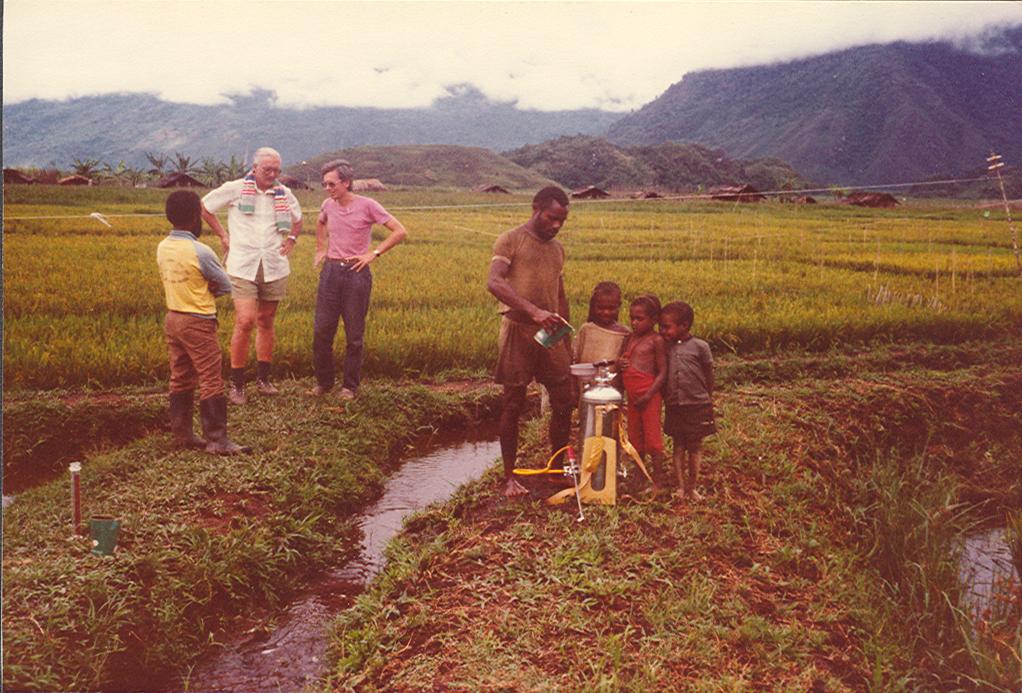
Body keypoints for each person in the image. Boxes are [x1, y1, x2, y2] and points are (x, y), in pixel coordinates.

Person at [487, 186, 573, 498]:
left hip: (549, 334)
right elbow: (494, 282)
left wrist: (566, 338)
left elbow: (559, 295)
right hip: (518, 330)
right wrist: (533, 311)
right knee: (513, 402)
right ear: (535, 209)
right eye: (552, 218)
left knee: (565, 399)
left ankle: (556, 469)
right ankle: (509, 477)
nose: (556, 225)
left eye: (562, 220)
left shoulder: (558, 249)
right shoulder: (511, 240)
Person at [201, 147, 303, 405]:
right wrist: (223, 235)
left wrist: (291, 238)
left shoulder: (284, 193)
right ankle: (237, 384)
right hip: (242, 263)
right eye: (267, 169)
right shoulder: (235, 188)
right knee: (245, 321)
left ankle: (263, 379)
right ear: (254, 168)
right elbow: (204, 206)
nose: (271, 174)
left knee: (266, 320)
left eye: (276, 170)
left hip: (274, 263)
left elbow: (298, 219)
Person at [157, 190, 250, 455]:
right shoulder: (201, 250)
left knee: (180, 376)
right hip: (198, 321)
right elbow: (224, 285)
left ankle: (182, 435)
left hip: (172, 318)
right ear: (196, 216)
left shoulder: (163, 246)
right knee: (211, 378)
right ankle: (217, 440)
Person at [310, 160, 408, 399]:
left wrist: (372, 254)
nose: (327, 188)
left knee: (354, 334)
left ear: (346, 183)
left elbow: (400, 231)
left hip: (356, 274)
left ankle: (349, 386)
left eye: (332, 184)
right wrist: (320, 249)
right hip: (330, 273)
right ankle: (324, 382)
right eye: (324, 184)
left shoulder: (368, 205)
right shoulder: (327, 204)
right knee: (322, 331)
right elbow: (320, 223)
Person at [659, 301, 715, 500]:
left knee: (695, 446)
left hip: (697, 404)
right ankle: (680, 487)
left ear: (683, 326)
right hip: (675, 404)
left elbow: (708, 374)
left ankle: (693, 487)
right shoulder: (665, 347)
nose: (662, 330)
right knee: (678, 445)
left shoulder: (701, 347)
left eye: (667, 326)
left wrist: (707, 398)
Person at [618, 294, 666, 486]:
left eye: (640, 318)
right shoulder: (629, 338)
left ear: (654, 320)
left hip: (649, 395)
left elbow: (662, 372)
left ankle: (658, 478)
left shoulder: (656, 340)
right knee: (634, 437)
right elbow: (619, 361)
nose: (634, 322)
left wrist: (648, 395)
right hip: (632, 395)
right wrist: (619, 363)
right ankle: (639, 473)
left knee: (652, 438)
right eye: (632, 318)